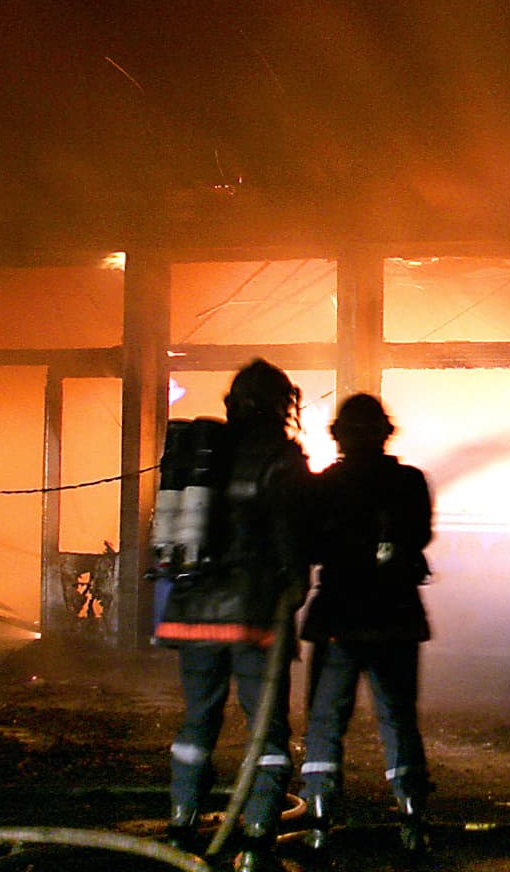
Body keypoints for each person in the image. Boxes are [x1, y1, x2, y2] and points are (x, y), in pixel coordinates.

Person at [153, 359, 312, 868]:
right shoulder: (281, 456)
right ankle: (257, 837)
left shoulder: (202, 453)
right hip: (254, 615)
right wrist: (295, 584)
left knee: (197, 720)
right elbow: (292, 533)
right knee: (265, 731)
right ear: (281, 404)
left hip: (191, 611)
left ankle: (182, 826)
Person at [295, 392, 436, 854]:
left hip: (338, 618)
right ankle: (413, 819)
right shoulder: (411, 482)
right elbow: (420, 535)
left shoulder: (322, 487)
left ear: (337, 436)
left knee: (324, 721)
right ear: (385, 433)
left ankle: (318, 820)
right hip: (394, 617)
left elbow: (309, 545)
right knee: (398, 719)